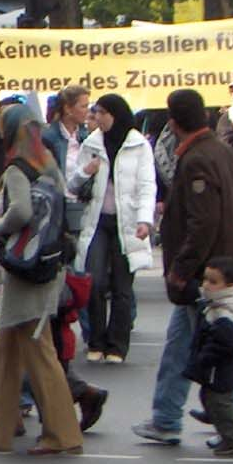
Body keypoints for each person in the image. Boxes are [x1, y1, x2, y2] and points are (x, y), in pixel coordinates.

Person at [135, 89, 233, 447]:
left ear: (173, 123)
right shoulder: (222, 151)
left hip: (207, 274)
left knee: (215, 342)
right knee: (182, 344)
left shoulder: (198, 158)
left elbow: (202, 223)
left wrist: (182, 268)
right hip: (218, 268)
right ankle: (166, 417)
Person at [0, 101, 83, 456]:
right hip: (47, 264)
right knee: (8, 347)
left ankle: (61, 433)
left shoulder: (18, 167)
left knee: (36, 348)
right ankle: (1, 426)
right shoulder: (47, 161)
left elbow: (20, 210)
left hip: (23, 269)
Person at [70, 92, 156, 366]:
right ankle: (95, 340)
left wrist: (145, 220)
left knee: (122, 285)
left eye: (102, 113)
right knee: (94, 281)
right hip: (97, 222)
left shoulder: (138, 145)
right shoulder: (92, 144)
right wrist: (87, 171)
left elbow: (146, 186)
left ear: (115, 115)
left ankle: (117, 344)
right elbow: (73, 184)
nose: (97, 119)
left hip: (126, 223)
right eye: (95, 113)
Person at [182, 257, 233, 456]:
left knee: (219, 402)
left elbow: (225, 343)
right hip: (218, 368)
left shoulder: (224, 313)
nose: (206, 285)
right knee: (212, 399)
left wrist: (205, 357)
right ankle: (228, 435)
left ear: (230, 285)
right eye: (205, 279)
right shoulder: (215, 305)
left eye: (213, 282)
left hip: (219, 369)